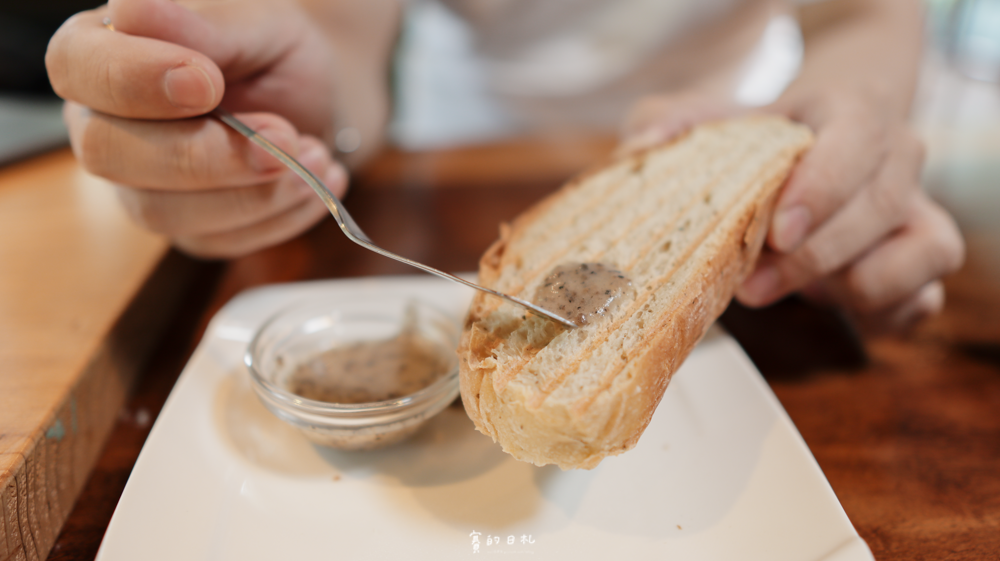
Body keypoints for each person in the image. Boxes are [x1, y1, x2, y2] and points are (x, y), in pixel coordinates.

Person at [45, 0, 964, 332]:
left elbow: (862, 16)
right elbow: (340, 30)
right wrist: (298, 120)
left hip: (732, 117)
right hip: (451, 154)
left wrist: (852, 125)